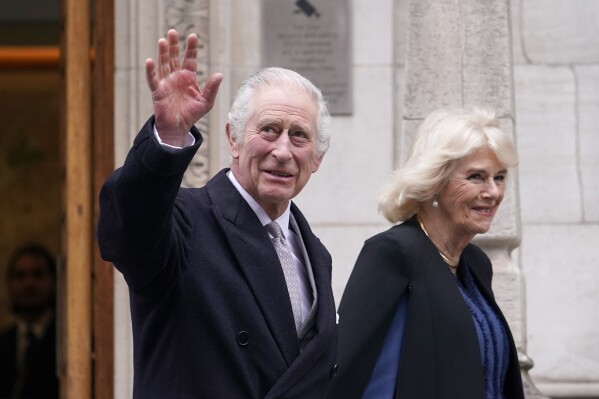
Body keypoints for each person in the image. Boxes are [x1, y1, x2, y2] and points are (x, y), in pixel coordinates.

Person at [97, 29, 337, 398]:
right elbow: (127, 229)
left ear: (317, 158)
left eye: (299, 136)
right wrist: (168, 140)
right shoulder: (184, 222)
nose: (283, 151)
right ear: (233, 139)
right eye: (269, 130)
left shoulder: (315, 254)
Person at [327, 105, 525, 399]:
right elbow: (359, 374)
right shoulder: (393, 253)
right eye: (476, 177)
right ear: (435, 182)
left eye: (499, 177)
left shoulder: (476, 263)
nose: (493, 192)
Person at [0, 244, 59, 399]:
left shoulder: (68, 344)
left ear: (54, 281)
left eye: (38, 274)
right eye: (20, 276)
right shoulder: (3, 343)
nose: (28, 284)